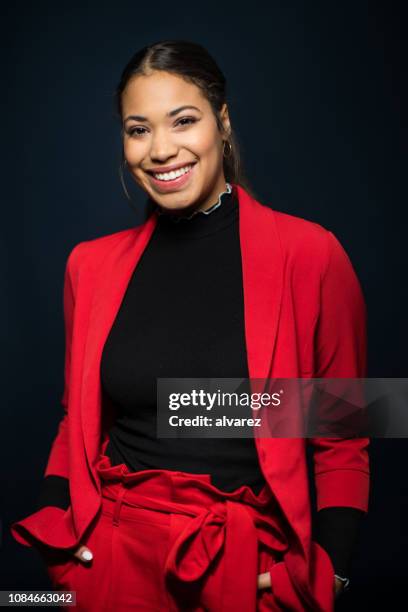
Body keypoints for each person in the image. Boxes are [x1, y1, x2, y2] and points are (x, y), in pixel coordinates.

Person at [10, 40, 369, 612]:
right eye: (138, 129)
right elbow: (74, 418)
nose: (161, 150)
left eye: (183, 120)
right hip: (109, 562)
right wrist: (60, 536)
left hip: (242, 564)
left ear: (222, 123)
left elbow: (344, 436)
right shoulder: (89, 266)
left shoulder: (312, 254)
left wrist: (328, 573)